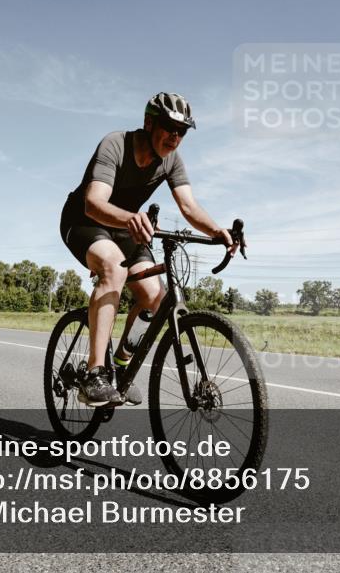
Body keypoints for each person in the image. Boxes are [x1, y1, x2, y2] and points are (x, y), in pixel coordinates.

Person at [60, 92, 241, 407]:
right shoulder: (116, 144)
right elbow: (94, 203)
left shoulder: (171, 160)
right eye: (169, 127)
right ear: (148, 123)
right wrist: (130, 218)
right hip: (84, 220)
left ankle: (119, 366)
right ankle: (95, 373)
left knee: (155, 297)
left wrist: (217, 231)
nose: (175, 137)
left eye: (182, 131)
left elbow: (188, 206)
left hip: (126, 228)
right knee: (112, 267)